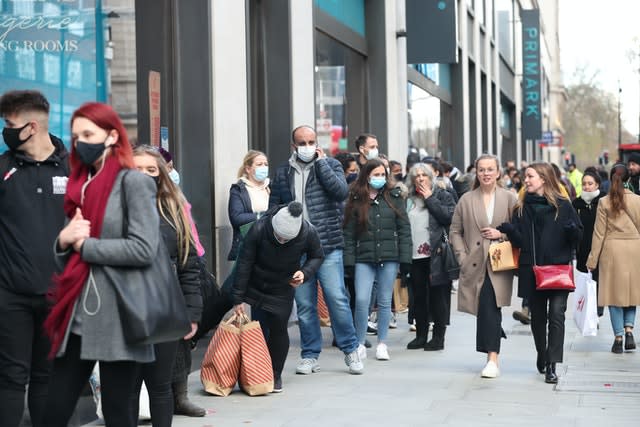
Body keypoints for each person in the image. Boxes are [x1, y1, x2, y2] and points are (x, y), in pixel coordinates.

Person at [42, 102, 159, 426]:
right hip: (78, 310)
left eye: (88, 134)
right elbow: (71, 249)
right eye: (76, 136)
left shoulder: (134, 183)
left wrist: (86, 245)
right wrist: (64, 241)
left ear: (111, 136)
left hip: (120, 313)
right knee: (55, 408)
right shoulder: (80, 185)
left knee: (118, 412)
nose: (80, 142)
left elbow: (144, 249)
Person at [270, 125, 363, 375]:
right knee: (304, 305)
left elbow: (341, 192)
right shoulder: (282, 173)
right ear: (293, 146)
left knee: (337, 298)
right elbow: (275, 207)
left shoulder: (330, 165)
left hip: (327, 245)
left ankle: (351, 349)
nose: (307, 146)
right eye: (302, 142)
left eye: (311, 141)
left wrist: (321, 164)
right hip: (294, 248)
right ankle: (310, 353)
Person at [0, 90, 69, 427]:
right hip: (10, 295)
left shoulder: (73, 169)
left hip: (58, 296)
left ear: (30, 127)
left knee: (47, 378)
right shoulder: (3, 170)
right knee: (12, 378)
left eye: (9, 125)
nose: (5, 131)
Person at [131, 145, 204, 422]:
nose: (144, 176)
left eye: (151, 170)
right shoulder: (113, 208)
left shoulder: (173, 210)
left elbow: (188, 267)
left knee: (160, 387)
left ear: (161, 174)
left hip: (165, 311)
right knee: (128, 389)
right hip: (127, 312)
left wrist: (192, 313)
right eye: (137, 169)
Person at [497, 162, 582, 384]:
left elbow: (578, 236)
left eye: (530, 176)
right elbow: (521, 241)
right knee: (538, 318)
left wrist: (572, 231)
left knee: (556, 315)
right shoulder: (522, 208)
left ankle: (552, 364)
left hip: (557, 270)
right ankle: (542, 353)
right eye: (526, 176)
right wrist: (510, 230)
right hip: (532, 270)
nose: (526, 180)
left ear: (543, 178)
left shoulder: (563, 206)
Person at [232, 202, 324, 392]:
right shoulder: (259, 228)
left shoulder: (307, 231)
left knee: (278, 329)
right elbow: (244, 263)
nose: (282, 241)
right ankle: (258, 373)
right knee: (259, 329)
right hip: (257, 284)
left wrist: (304, 273)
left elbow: (317, 256)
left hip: (283, 286)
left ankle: (275, 375)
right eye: (279, 237)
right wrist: (238, 299)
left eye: (286, 239)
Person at [450, 154, 517, 378]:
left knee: (490, 303)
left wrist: (502, 233)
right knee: (485, 307)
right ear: (476, 173)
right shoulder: (466, 199)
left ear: (498, 172)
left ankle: (492, 358)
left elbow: (520, 229)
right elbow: (455, 231)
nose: (486, 174)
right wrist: (462, 256)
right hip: (474, 262)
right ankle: (494, 339)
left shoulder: (509, 198)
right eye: (482, 170)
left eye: (490, 169)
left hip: (499, 262)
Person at [343, 159, 412, 360]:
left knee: (383, 301)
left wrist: (405, 259)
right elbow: (348, 233)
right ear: (366, 175)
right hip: (363, 258)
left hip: (389, 257)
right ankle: (359, 342)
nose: (380, 178)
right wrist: (349, 261)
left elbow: (404, 230)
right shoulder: (356, 197)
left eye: (383, 174)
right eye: (376, 175)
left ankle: (382, 343)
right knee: (362, 300)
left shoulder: (395, 196)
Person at [587, 164, 640, 353]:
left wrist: (592, 259)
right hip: (635, 249)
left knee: (614, 295)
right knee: (631, 293)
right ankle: (629, 330)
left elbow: (599, 234)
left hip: (612, 251)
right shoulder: (638, 201)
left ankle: (618, 337)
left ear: (610, 179)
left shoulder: (604, 202)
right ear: (628, 179)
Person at [404, 163, 456, 351]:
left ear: (430, 177)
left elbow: (448, 217)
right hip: (415, 255)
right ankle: (421, 334)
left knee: (438, 296)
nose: (419, 178)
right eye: (416, 176)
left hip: (437, 253)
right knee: (418, 296)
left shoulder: (442, 195)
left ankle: (439, 336)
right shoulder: (409, 199)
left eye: (423, 175)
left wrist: (430, 198)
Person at [572, 170, 606, 317]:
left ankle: (598, 308)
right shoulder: (576, 204)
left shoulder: (604, 201)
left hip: (602, 248)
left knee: (599, 278)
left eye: (590, 184)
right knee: (587, 280)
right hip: (583, 248)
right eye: (584, 184)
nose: (586, 186)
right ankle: (589, 308)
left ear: (597, 184)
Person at [228, 150, 270, 260]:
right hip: (248, 245)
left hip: (272, 245)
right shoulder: (239, 190)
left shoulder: (272, 187)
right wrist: (262, 215)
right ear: (248, 169)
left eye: (266, 164)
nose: (264, 167)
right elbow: (236, 218)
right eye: (259, 164)